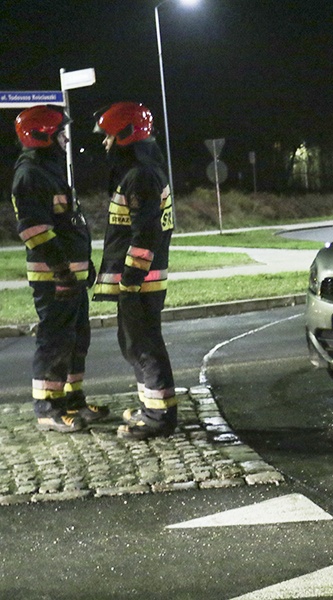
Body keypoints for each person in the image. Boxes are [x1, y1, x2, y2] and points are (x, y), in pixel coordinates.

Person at [10, 104, 109, 432]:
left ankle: (72, 399)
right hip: (54, 279)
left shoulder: (51, 170)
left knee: (77, 338)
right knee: (54, 340)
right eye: (60, 133)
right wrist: (63, 272)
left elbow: (68, 224)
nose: (66, 139)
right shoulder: (30, 175)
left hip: (71, 275)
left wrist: (84, 265)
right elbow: (33, 230)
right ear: (42, 136)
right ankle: (48, 409)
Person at [92, 102, 177, 440]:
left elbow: (146, 234)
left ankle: (159, 417)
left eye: (109, 136)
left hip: (140, 281)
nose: (105, 143)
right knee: (134, 343)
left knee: (143, 346)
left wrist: (131, 279)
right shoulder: (142, 171)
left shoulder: (140, 176)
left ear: (126, 135)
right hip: (143, 278)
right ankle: (151, 407)